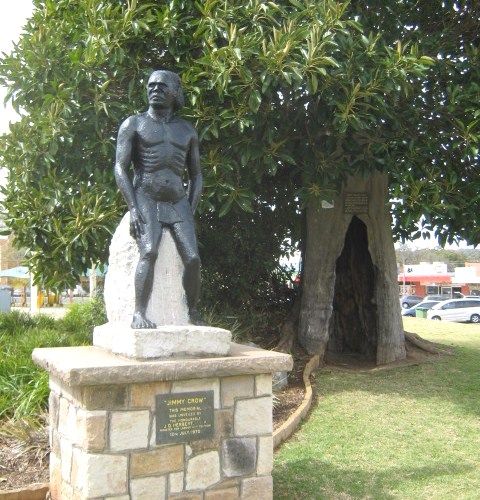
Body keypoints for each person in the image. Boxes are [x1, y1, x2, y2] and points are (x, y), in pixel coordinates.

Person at [114, 70, 203, 328]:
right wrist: (132, 208)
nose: (155, 89)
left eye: (162, 86)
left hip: (177, 202)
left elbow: (197, 175)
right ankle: (139, 313)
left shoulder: (187, 130)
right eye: (151, 85)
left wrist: (190, 208)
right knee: (149, 251)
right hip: (146, 198)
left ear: (175, 92)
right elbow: (120, 168)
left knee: (194, 259)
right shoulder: (134, 124)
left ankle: (193, 311)